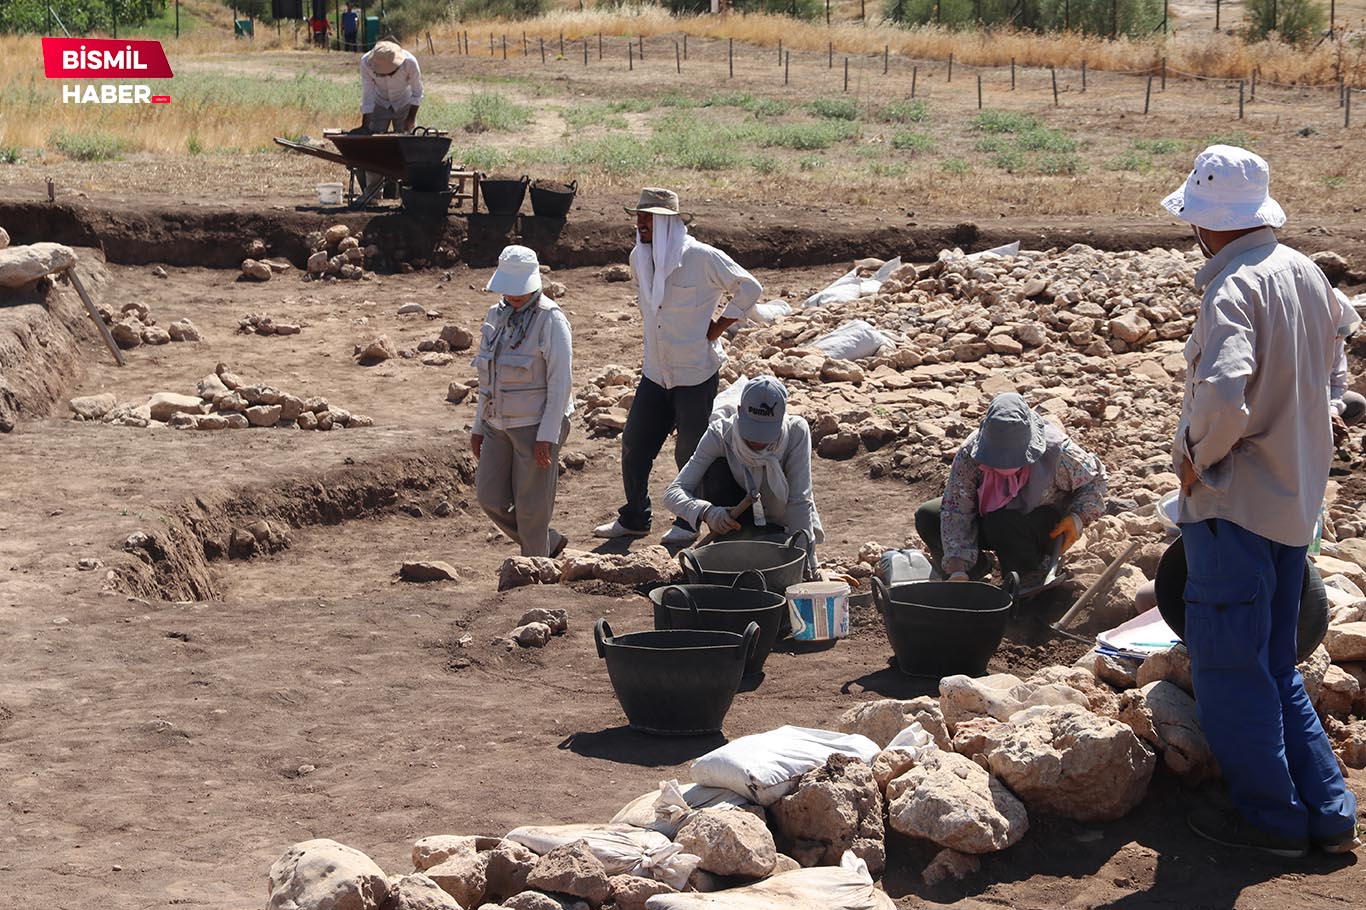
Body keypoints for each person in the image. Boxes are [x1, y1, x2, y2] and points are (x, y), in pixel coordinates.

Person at [1162, 144, 1358, 857]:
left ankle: (1273, 826)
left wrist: (1192, 458)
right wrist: (1328, 404)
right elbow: (1341, 345)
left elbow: (1223, 391)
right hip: (1292, 506)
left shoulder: (1233, 288)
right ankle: (1332, 816)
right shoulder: (1305, 272)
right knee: (1276, 667)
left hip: (1235, 506)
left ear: (1207, 226)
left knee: (1232, 677)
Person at [593, 188, 763, 546]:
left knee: (690, 453)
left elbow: (749, 287)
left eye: (648, 217)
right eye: (638, 216)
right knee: (635, 444)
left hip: (694, 375)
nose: (640, 223)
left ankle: (688, 522)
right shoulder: (639, 258)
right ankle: (635, 517)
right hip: (656, 372)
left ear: (668, 222)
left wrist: (718, 326)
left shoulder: (701, 258)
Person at [915, 392, 1106, 583]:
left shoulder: (1057, 452)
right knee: (929, 515)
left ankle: (1026, 575)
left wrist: (1078, 517)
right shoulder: (970, 454)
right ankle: (973, 572)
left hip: (1041, 527)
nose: (1004, 464)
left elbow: (1095, 479)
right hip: (991, 520)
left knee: (1001, 520)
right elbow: (956, 509)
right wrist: (957, 569)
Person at [471, 246, 574, 559]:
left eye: (520, 290)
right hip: (497, 422)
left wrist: (547, 435)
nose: (513, 296)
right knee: (489, 497)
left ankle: (536, 573)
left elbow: (560, 384)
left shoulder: (551, 320)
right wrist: (479, 424)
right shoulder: (495, 316)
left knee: (532, 508)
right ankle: (545, 542)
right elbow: (486, 376)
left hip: (535, 425)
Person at [663, 376, 823, 569]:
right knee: (716, 469)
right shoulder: (720, 433)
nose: (758, 443)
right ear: (739, 411)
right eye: (752, 433)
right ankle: (731, 549)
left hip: (782, 523)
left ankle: (772, 546)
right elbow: (673, 493)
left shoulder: (796, 432)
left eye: (765, 435)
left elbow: (800, 501)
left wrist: (807, 563)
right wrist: (707, 512)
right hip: (738, 524)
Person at [359, 40, 422, 134]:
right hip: (380, 103)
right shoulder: (366, 63)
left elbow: (417, 92)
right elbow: (368, 95)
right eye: (381, 74)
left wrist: (411, 118)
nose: (386, 76)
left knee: (406, 141)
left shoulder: (410, 63)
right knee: (374, 141)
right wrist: (365, 127)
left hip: (404, 103)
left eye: (390, 73)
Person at [1330, 289, 1365, 447]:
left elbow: (1338, 381)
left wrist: (1332, 411)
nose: (1337, 338)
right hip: (1288, 404)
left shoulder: (1336, 341)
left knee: (1355, 404)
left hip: (1318, 401)